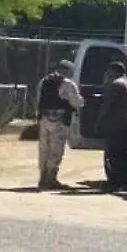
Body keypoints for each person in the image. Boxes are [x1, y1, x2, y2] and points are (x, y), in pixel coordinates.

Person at [34, 59, 83, 189]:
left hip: (44, 119)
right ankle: (51, 178)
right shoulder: (67, 83)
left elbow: (38, 100)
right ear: (66, 71)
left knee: (44, 149)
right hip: (60, 120)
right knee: (56, 149)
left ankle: (43, 177)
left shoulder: (44, 81)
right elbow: (76, 102)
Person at [94, 59, 127, 189]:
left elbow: (106, 106)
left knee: (113, 154)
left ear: (114, 71)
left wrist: (98, 122)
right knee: (122, 153)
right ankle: (123, 181)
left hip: (115, 123)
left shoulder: (114, 84)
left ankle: (115, 182)